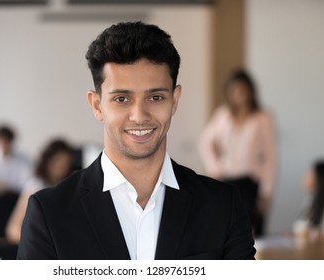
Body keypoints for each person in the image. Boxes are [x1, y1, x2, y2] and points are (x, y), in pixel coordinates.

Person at [17, 22, 256, 260]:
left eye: (155, 97)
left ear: (174, 100)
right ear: (97, 105)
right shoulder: (50, 212)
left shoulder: (223, 206)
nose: (140, 116)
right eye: (122, 99)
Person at [198, 69, 277, 238]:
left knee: (251, 235)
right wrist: (215, 168)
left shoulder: (263, 117)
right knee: (225, 233)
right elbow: (205, 143)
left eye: (243, 89)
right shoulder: (223, 115)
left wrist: (266, 192)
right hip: (226, 181)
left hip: (251, 183)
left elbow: (270, 156)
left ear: (250, 91)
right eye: (235, 90)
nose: (239, 94)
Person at [5, 138, 76, 244]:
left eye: (66, 163)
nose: (62, 168)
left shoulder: (69, 187)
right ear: (47, 161)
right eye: (58, 162)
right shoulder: (35, 186)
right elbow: (14, 230)